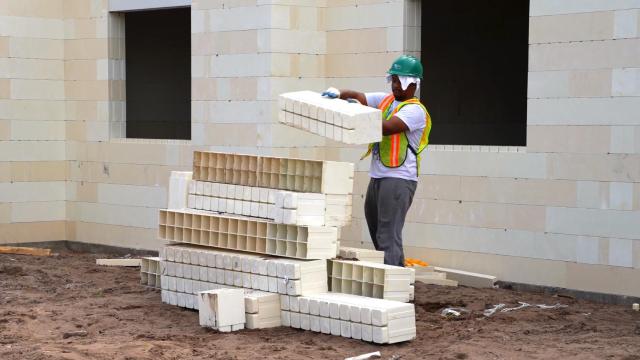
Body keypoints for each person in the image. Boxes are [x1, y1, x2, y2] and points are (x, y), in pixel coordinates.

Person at [323, 55, 432, 266]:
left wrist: (358, 111)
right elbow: (359, 96)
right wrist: (339, 94)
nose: (396, 85)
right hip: (379, 176)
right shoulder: (386, 100)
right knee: (376, 227)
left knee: (388, 234)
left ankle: (393, 281)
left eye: (401, 81)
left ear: (413, 84)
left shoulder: (415, 111)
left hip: (398, 178)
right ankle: (395, 276)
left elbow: (388, 127)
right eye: (393, 80)